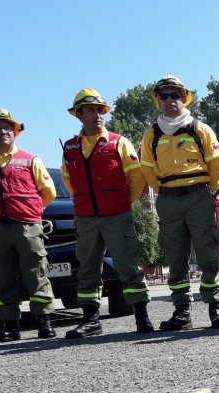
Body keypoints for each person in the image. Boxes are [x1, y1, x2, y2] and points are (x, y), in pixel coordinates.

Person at [61, 89, 153, 338]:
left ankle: (142, 317)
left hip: (116, 215)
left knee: (127, 266)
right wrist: (82, 200)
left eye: (100, 110)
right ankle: (91, 320)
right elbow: (68, 179)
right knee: (88, 269)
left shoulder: (118, 142)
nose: (97, 115)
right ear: (78, 115)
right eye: (91, 110)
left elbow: (136, 176)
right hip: (86, 218)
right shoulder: (70, 147)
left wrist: (123, 201)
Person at [139, 76, 219, 330]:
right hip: (168, 199)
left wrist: (207, 191)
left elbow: (216, 164)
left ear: (184, 98)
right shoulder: (151, 134)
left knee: (208, 253)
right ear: (158, 100)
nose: (170, 100)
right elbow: (147, 168)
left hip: (198, 195)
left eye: (175, 95)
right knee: (175, 257)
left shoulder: (200, 129)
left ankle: (215, 309)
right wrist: (164, 192)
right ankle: (182, 312)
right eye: (164, 96)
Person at [0, 109, 57, 342]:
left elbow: (49, 192)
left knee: (36, 274)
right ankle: (10, 326)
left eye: (7, 127)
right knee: (2, 276)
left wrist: (33, 212)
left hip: (27, 226)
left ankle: (44, 323)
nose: (2, 131)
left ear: (15, 132)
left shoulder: (31, 159)